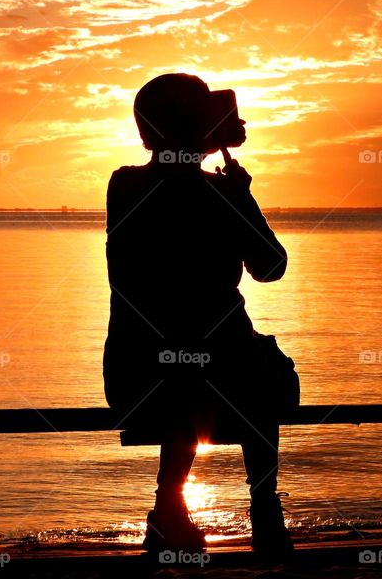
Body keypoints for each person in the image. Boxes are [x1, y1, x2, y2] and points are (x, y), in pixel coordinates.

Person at [102, 73, 292, 558]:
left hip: (135, 371)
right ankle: (264, 511)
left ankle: (170, 511)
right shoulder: (219, 194)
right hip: (213, 375)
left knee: (201, 367)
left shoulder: (124, 185)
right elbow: (271, 267)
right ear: (191, 126)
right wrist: (242, 197)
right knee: (255, 369)